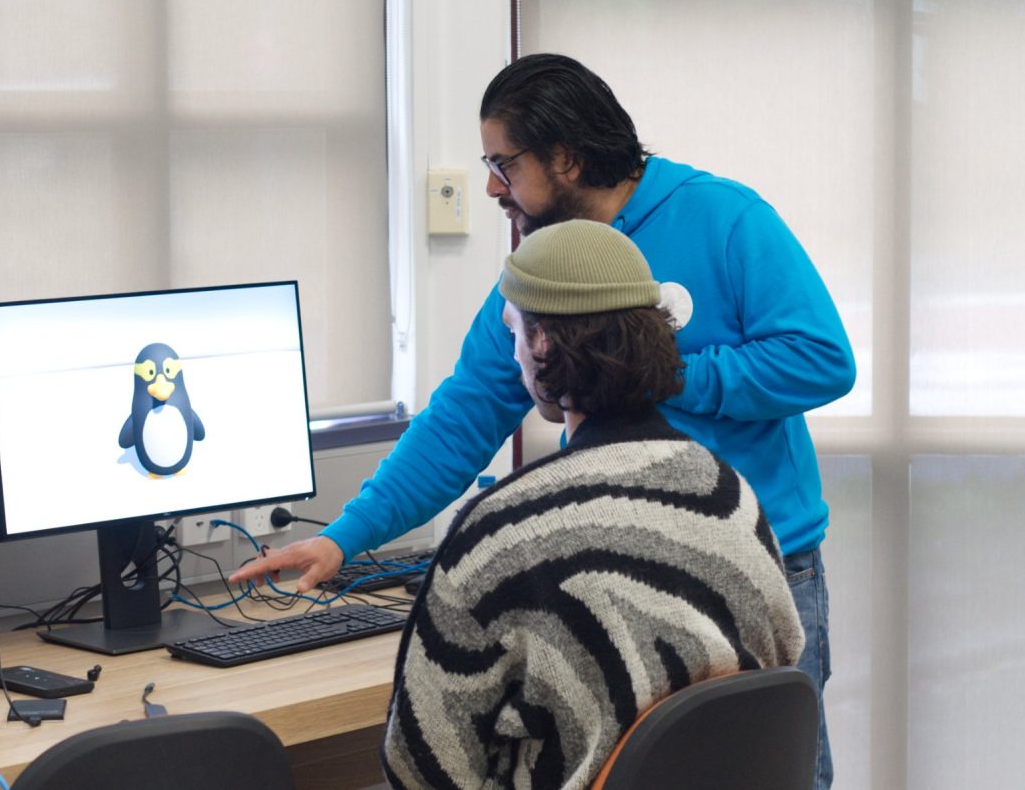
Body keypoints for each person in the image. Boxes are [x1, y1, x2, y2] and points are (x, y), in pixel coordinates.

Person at [231, 53, 854, 788]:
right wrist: (343, 539)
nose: (493, 185)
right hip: (601, 567)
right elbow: (462, 418)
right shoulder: (540, 270)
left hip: (756, 560)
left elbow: (821, 358)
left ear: (565, 157)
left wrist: (660, 367)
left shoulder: (723, 217)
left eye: (505, 163)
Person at [381, 220, 805, 788]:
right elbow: (777, 666)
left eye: (513, 332)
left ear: (542, 343)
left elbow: (420, 765)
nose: (512, 355)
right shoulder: (728, 495)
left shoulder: (501, 532)